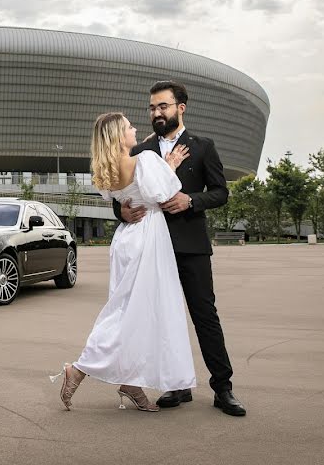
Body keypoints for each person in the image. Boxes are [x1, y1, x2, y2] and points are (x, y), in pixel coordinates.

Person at [114, 80, 246, 416]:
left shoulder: (203, 146)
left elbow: (220, 192)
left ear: (180, 108)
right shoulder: (139, 150)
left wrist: (191, 199)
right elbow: (123, 194)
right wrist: (122, 211)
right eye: (152, 108)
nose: (157, 113)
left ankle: (223, 388)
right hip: (151, 248)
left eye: (163, 107)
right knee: (162, 319)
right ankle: (176, 386)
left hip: (192, 247)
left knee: (205, 317)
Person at [52, 112, 196, 412]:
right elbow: (165, 193)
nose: (135, 130)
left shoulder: (108, 171)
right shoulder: (145, 161)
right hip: (149, 238)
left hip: (127, 237)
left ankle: (131, 383)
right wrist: (169, 165)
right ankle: (79, 369)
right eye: (130, 127)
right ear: (120, 136)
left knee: (130, 309)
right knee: (136, 311)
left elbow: (121, 198)